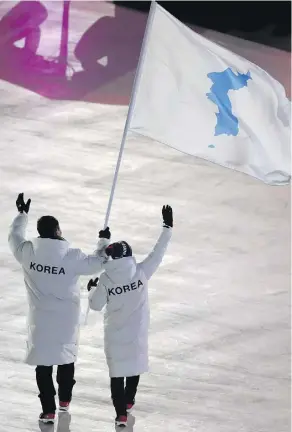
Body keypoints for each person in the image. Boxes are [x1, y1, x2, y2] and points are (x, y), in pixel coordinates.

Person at [8, 193, 111, 425]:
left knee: (43, 366)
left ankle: (48, 410)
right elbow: (99, 262)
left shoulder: (26, 253)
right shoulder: (72, 257)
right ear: (57, 231)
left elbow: (13, 236)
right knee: (66, 359)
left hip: (40, 321)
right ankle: (65, 400)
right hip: (66, 320)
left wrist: (21, 215)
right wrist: (103, 241)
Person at [87, 205, 173, 427]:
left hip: (115, 335)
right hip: (137, 332)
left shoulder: (106, 280)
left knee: (117, 374)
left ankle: (120, 415)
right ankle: (129, 401)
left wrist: (90, 289)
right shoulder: (142, 273)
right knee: (134, 367)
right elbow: (158, 252)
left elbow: (95, 306)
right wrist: (167, 227)